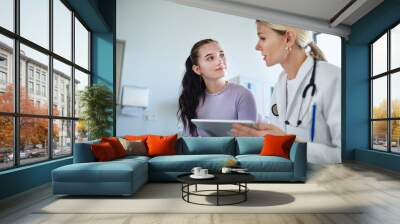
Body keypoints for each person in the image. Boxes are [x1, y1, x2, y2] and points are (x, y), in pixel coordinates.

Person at [232, 21, 341, 148]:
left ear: (288, 39)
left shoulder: (332, 78)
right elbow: (279, 140)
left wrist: (288, 143)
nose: (257, 46)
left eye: (262, 38)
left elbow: (343, 155)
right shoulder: (280, 84)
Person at [178, 39, 257, 137]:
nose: (220, 60)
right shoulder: (190, 100)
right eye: (210, 58)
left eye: (221, 55)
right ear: (197, 69)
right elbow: (190, 142)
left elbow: (248, 142)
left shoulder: (243, 95)